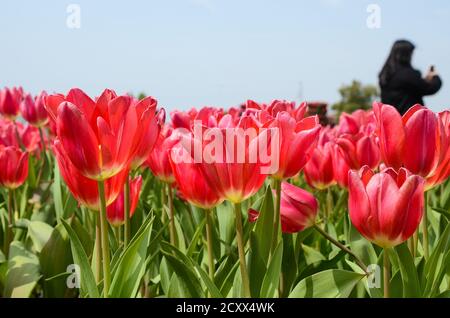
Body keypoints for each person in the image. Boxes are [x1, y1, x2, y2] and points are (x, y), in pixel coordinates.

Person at [378, 39, 442, 115]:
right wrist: (435, 77)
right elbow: (428, 88)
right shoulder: (407, 74)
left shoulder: (385, 74)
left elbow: (411, 87)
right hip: (408, 122)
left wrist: (425, 79)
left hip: (390, 121)